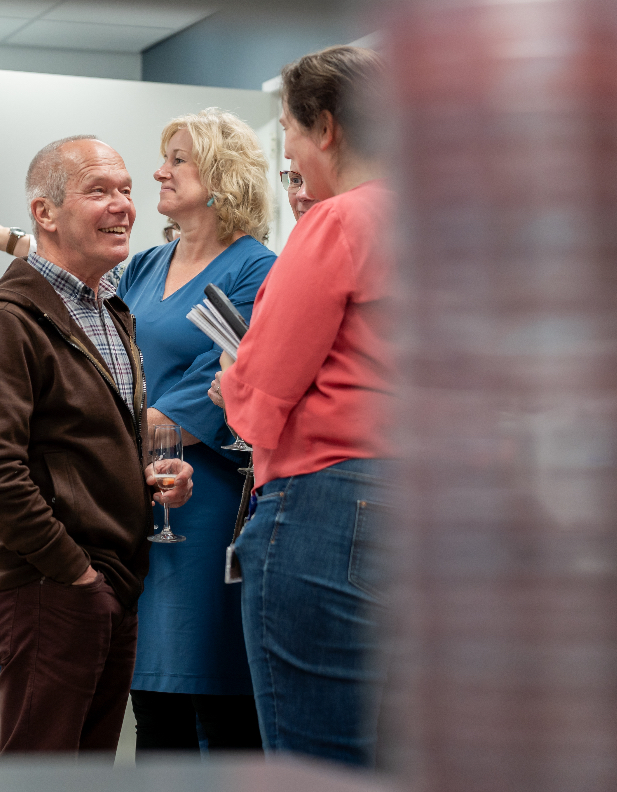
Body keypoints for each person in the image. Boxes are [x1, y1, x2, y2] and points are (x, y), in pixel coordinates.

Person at [0, 135, 193, 755]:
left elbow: (78, 445)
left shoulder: (110, 310)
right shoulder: (5, 318)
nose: (123, 206)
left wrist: (145, 475)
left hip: (111, 587)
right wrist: (74, 574)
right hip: (51, 588)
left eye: (126, 190)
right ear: (45, 213)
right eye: (98, 191)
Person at [216, 46, 394, 766]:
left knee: (313, 762)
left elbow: (260, 398)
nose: (286, 151)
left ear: (325, 127)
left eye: (287, 130)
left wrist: (232, 377)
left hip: (327, 508)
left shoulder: (337, 222)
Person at [114, 108, 274, 753]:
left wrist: (101, 438)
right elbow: (106, 361)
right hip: (138, 499)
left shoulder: (255, 269)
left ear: (222, 175)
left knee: (214, 702)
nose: (160, 171)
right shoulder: (144, 266)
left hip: (205, 506)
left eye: (178, 159)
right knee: (151, 708)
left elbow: (214, 389)